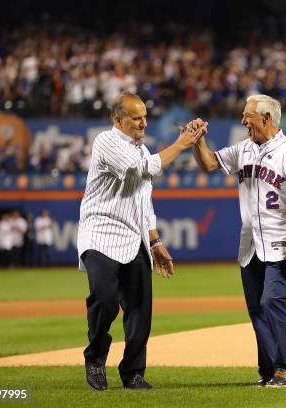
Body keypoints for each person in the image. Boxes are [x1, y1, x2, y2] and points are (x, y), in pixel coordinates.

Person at [77, 92, 205, 391]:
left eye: (145, 116)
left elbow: (143, 201)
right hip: (100, 233)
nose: (143, 122)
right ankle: (95, 358)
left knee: (139, 311)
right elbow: (141, 170)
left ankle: (133, 372)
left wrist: (155, 241)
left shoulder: (142, 149)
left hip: (135, 237)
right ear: (117, 119)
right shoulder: (105, 142)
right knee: (105, 300)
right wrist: (181, 144)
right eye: (136, 118)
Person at [191, 94, 286, 388]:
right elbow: (209, 163)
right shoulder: (244, 149)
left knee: (273, 300)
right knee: (256, 309)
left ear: (267, 119)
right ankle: (269, 370)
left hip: (280, 242)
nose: (243, 121)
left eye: (248, 116)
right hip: (249, 245)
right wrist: (198, 141)